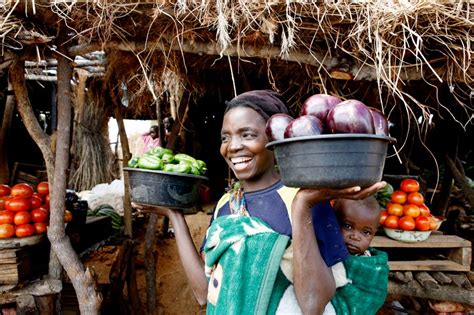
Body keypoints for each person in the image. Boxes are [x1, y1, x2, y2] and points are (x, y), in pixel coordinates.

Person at [133, 90, 386, 314]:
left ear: (274, 139)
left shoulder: (306, 200)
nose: (233, 146)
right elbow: (204, 293)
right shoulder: (226, 204)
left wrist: (301, 208)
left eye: (247, 134)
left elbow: (313, 305)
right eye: (225, 137)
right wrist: (174, 216)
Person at [330, 197, 389, 315]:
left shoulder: (373, 265)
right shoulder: (322, 251)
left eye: (366, 232)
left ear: (374, 234)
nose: (355, 237)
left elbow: (372, 299)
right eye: (347, 226)